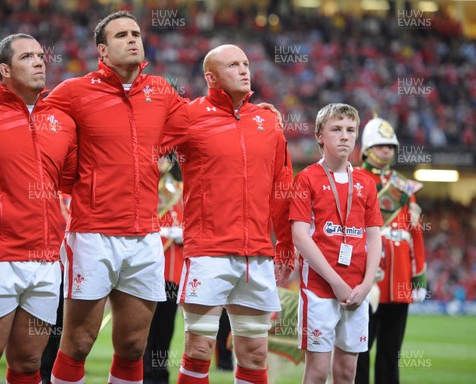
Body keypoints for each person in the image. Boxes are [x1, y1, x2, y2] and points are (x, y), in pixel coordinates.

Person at [45, 11, 187, 384]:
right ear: (102, 51)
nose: (132, 39)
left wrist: (246, 110)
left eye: (136, 33)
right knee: (78, 341)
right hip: (93, 233)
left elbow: (198, 123)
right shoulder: (74, 91)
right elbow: (34, 123)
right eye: (121, 34)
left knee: (133, 345)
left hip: (145, 236)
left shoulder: (161, 90)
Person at [0, 34, 77, 384]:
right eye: (28, 57)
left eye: (41, 56)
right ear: (5, 69)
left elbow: (66, 181)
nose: (40, 61)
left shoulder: (62, 121)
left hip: (45, 260)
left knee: (27, 362)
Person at [171, 44, 294, 384]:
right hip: (207, 251)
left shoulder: (268, 122)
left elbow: (282, 186)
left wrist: (284, 243)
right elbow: (142, 144)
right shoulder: (186, 116)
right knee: (198, 350)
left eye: (245, 63)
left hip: (256, 255)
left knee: (254, 353)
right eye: (232, 65)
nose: (244, 70)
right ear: (211, 76)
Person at [289, 103, 383, 384]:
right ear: (320, 135)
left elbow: (374, 236)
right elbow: (300, 236)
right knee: (317, 372)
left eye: (350, 130)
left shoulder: (366, 183)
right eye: (336, 129)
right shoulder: (307, 179)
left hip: (357, 291)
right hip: (319, 289)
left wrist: (366, 285)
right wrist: (335, 282)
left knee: (346, 372)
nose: (344, 136)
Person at [354, 116, 427, 384]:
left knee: (390, 350)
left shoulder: (403, 186)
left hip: (399, 279)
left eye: (390, 146)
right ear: (368, 148)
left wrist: (418, 275)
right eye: (382, 145)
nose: (387, 150)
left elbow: (414, 233)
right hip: (367, 278)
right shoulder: (354, 179)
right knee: (359, 348)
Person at [143, 156, 184, 384]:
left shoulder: (179, 190)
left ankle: (159, 374)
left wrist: (181, 233)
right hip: (148, 269)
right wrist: (163, 233)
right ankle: (145, 372)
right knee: (144, 325)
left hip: (172, 271)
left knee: (165, 325)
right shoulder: (146, 188)